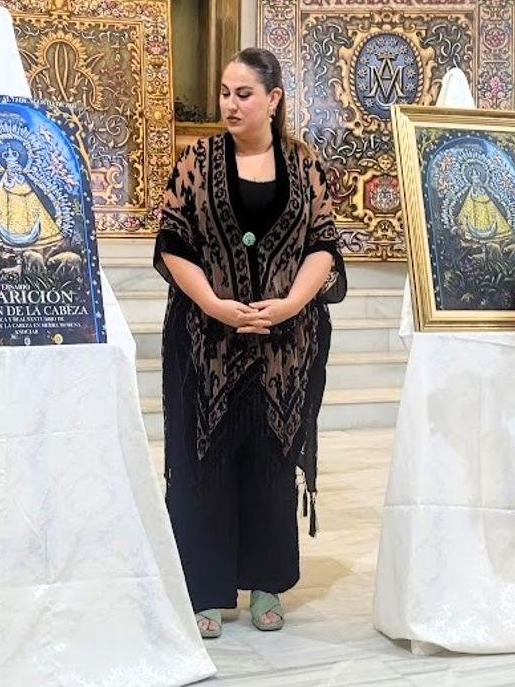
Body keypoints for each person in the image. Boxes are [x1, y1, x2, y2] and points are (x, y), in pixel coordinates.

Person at [155, 47, 346, 639]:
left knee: (271, 462)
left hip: (284, 348)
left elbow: (324, 246)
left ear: (273, 98)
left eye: (243, 94)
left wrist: (291, 304)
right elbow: (172, 243)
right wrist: (213, 304)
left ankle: (267, 583)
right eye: (224, 93)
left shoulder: (304, 165)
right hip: (205, 344)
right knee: (203, 464)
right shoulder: (196, 160)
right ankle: (205, 590)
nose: (231, 104)